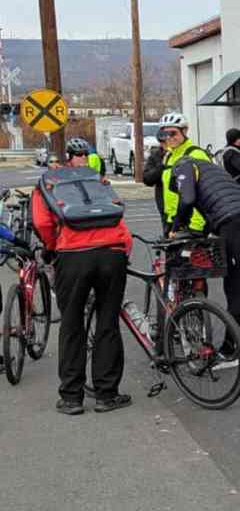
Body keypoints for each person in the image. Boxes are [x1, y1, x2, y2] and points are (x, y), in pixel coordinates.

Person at [32, 138, 133, 415]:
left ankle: (71, 398)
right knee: (108, 321)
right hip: (112, 251)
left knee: (72, 323)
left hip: (73, 254)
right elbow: (118, 215)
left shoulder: (48, 181)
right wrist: (123, 249)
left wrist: (52, 247)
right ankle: (106, 394)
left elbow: (41, 222)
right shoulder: (98, 179)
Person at [169, 157, 240, 364]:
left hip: (233, 223)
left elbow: (187, 200)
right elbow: (213, 211)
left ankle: (231, 349)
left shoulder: (183, 167)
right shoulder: (210, 169)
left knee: (234, 288)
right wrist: (204, 231)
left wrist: (176, 227)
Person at [158, 113, 211, 236]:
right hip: (173, 220)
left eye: (173, 133)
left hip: (192, 223)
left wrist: (196, 225)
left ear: (185, 131)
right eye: (165, 134)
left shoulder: (195, 155)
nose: (169, 137)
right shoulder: (170, 155)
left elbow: (204, 191)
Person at [142, 130, 169, 235]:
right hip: (164, 201)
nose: (165, 145)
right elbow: (147, 179)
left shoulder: (183, 154)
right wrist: (162, 166)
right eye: (162, 142)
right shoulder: (156, 155)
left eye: (166, 141)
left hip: (184, 200)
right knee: (168, 231)